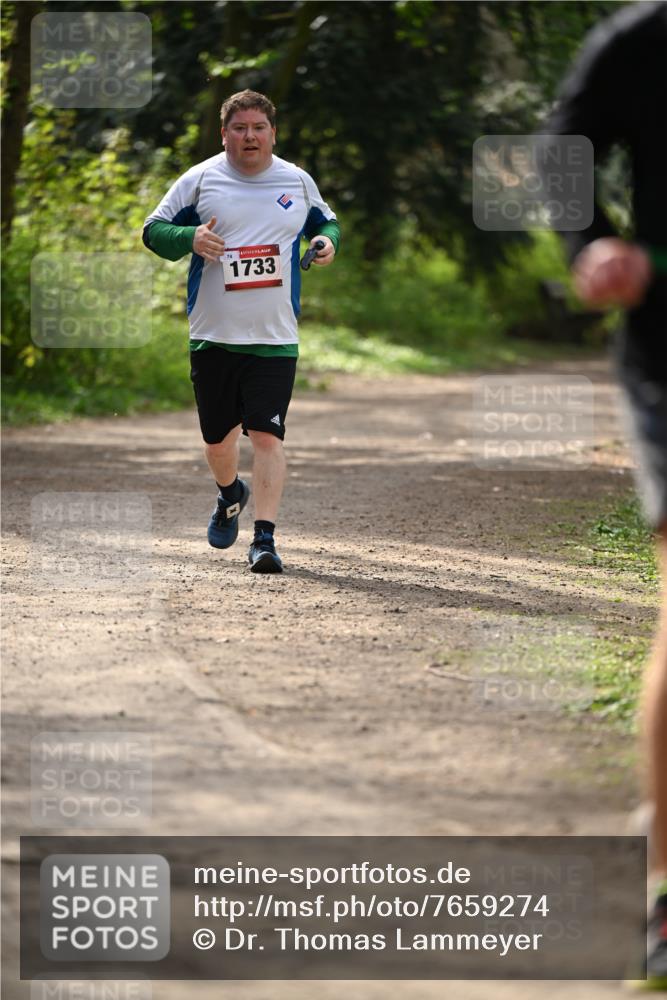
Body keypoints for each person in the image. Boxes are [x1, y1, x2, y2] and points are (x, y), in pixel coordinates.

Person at [545, 1, 666, 987]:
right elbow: (562, 145)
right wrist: (588, 239)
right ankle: (666, 886)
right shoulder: (642, 40)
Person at [143, 90, 340, 573]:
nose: (249, 136)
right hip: (213, 335)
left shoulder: (295, 179)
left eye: (258, 128)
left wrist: (323, 243)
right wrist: (189, 237)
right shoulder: (201, 178)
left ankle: (265, 540)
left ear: (273, 133)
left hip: (275, 337)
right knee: (217, 442)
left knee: (268, 437)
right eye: (239, 128)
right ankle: (230, 493)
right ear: (224, 133)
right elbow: (153, 231)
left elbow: (327, 223)